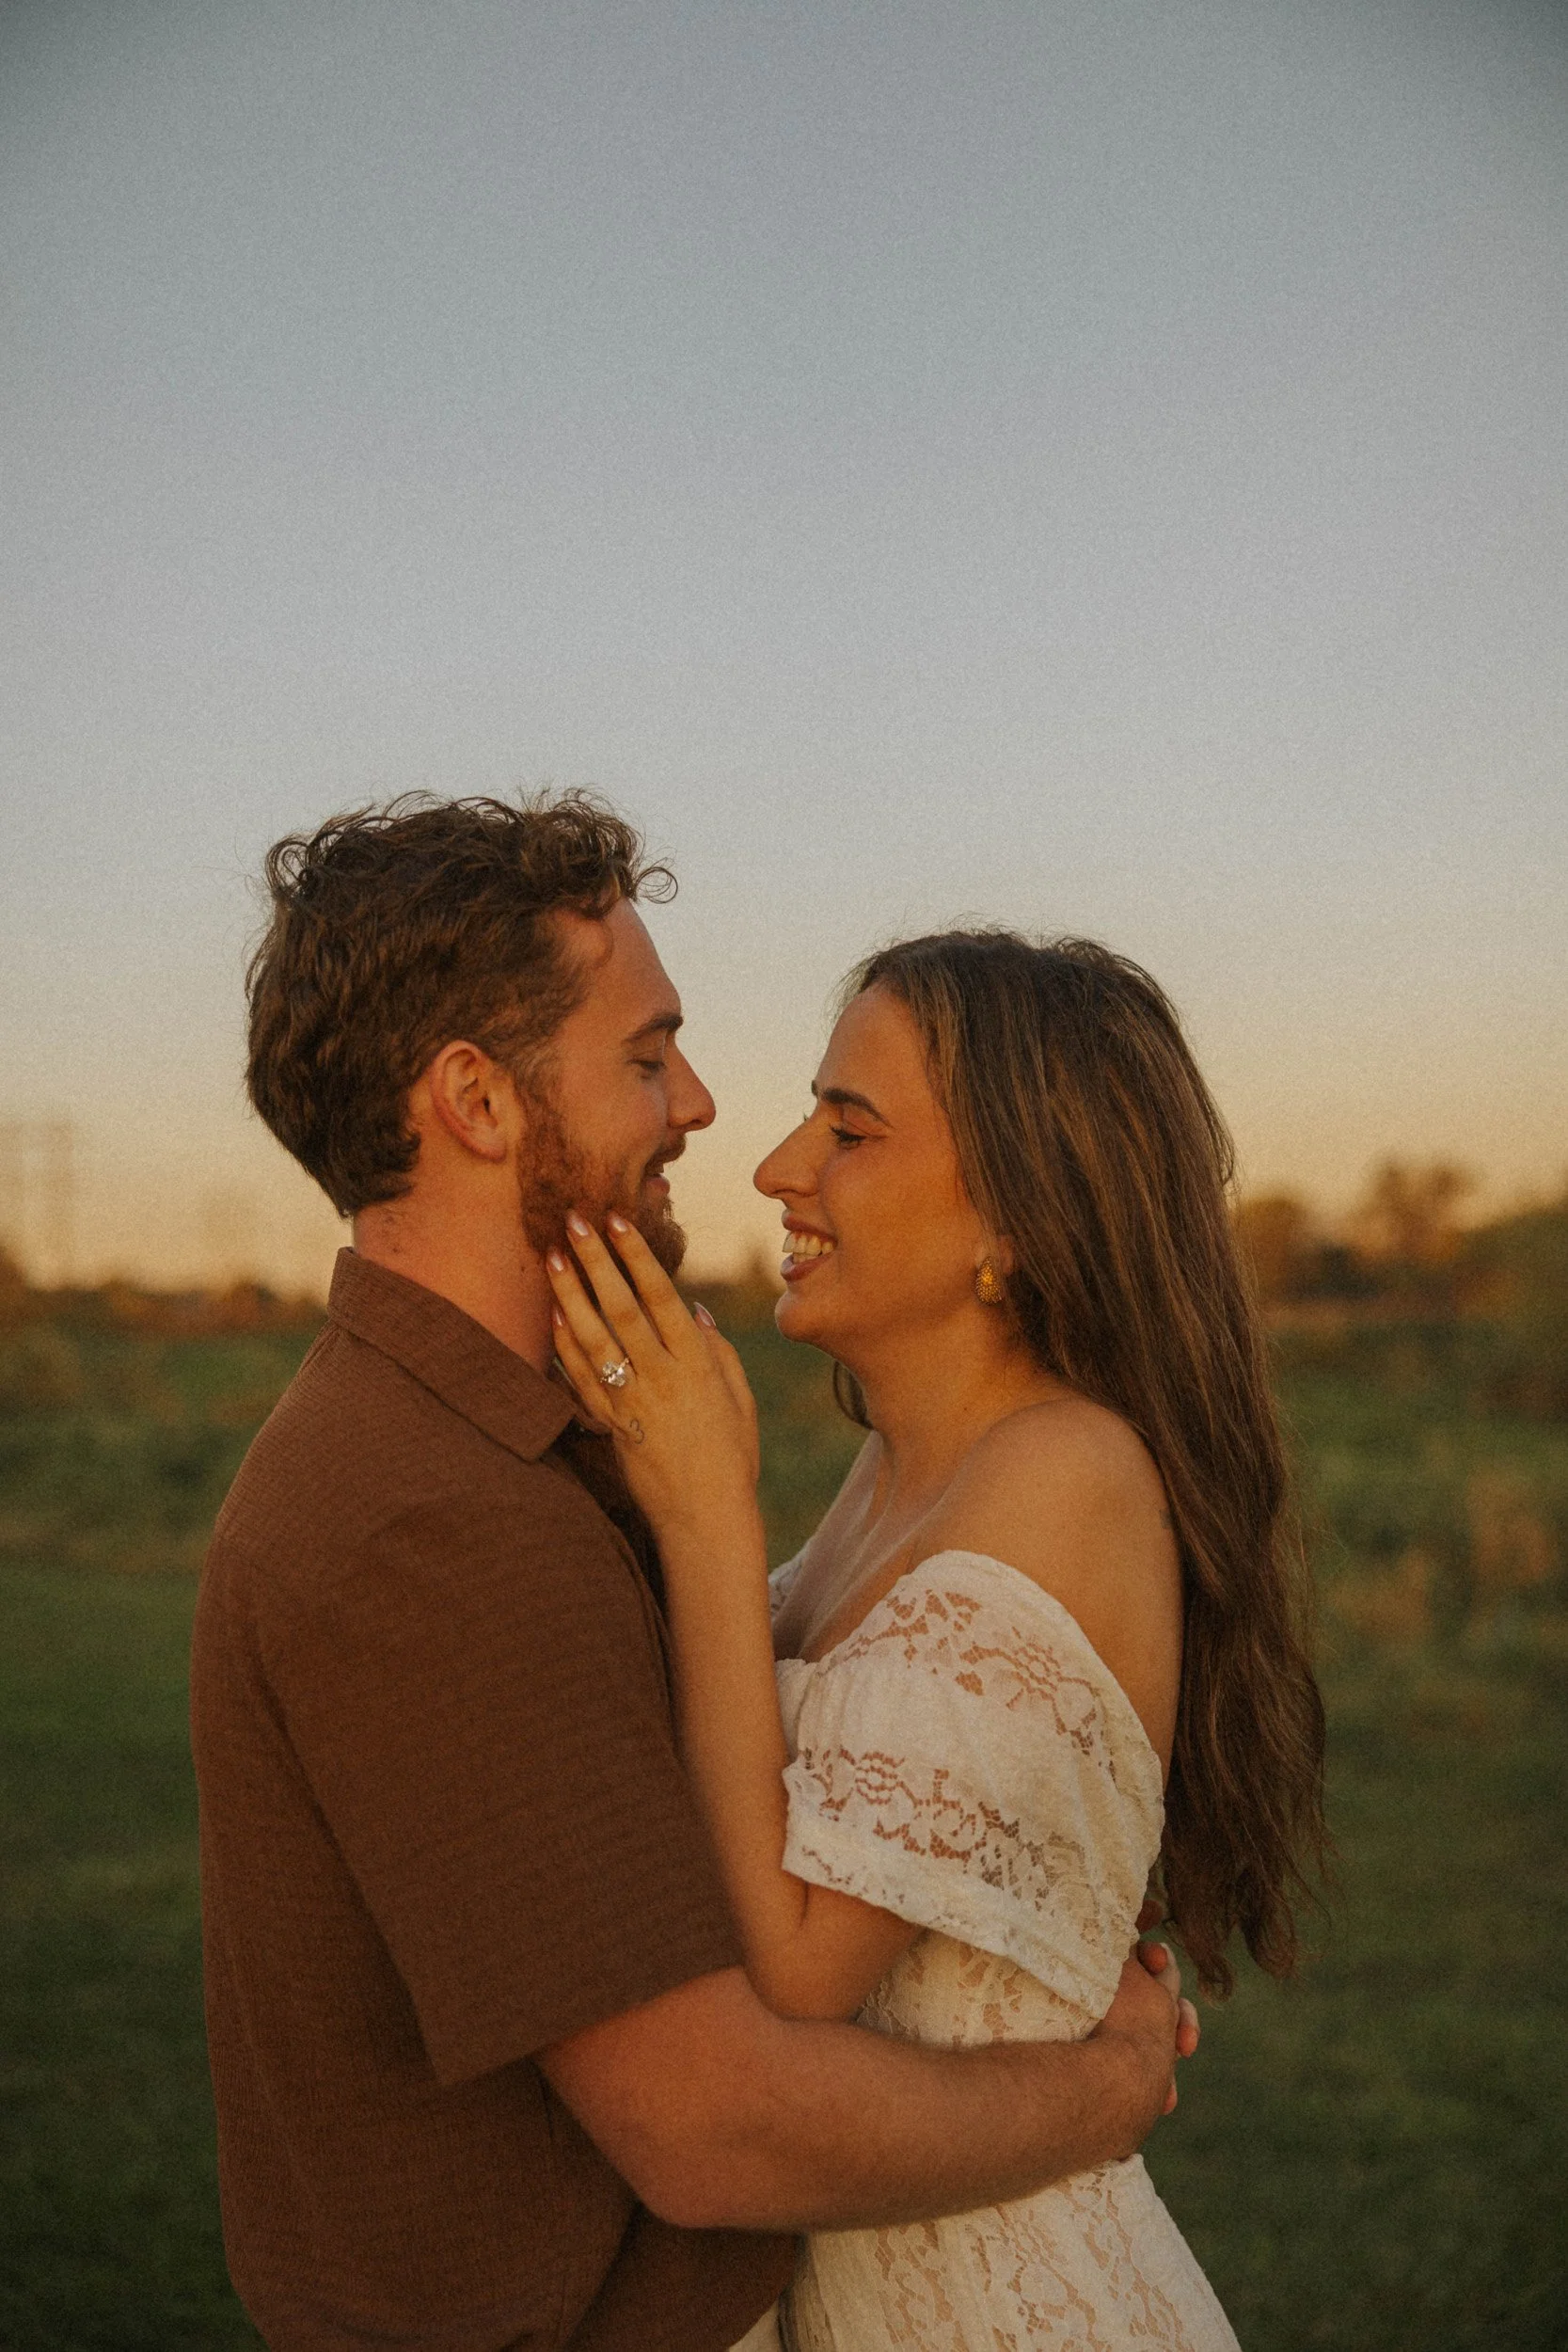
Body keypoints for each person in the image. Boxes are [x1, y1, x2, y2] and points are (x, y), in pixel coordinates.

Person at [190, 796, 1197, 2352]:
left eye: (843, 1122)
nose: (712, 1113)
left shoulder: (517, 1454)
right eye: (647, 1055)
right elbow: (713, 2121)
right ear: (476, 1099)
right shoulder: (432, 1519)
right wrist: (1108, 2086)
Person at [547, 927, 1328, 2350]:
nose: (780, 1166)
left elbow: (794, 1971)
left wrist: (707, 1516)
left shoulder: (1063, 1472)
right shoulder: (893, 1475)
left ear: (1015, 1218)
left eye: (847, 1129)